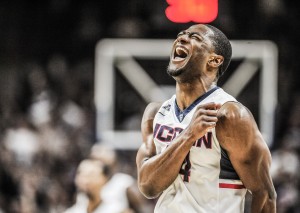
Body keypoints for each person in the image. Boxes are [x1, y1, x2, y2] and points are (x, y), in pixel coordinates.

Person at [136, 24, 277, 213]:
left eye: (195, 37)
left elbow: (265, 194)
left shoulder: (230, 116)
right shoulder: (155, 113)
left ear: (214, 60)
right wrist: (188, 135)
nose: (182, 38)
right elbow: (147, 186)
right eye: (181, 35)